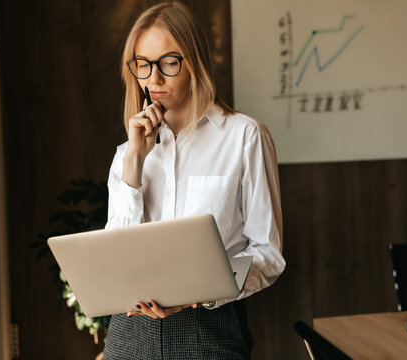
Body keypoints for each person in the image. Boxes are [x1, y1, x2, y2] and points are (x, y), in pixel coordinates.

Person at [103, 2, 285, 359]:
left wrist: (199, 291)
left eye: (169, 62)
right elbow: (116, 254)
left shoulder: (245, 137)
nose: (153, 79)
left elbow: (268, 254)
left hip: (210, 330)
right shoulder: (129, 152)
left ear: (195, 61)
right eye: (143, 64)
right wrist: (135, 162)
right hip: (129, 333)